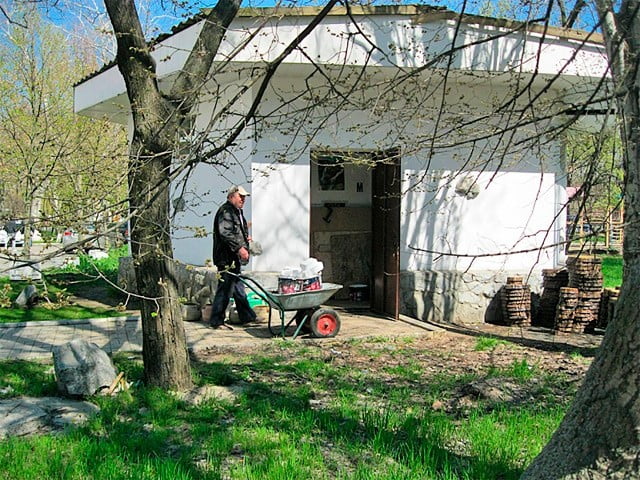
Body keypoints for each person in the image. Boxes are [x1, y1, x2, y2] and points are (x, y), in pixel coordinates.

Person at [209, 185, 257, 329]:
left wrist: (245, 239)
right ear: (231, 197)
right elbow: (225, 233)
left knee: (238, 287)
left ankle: (247, 316)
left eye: (244, 197)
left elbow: (235, 231)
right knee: (225, 288)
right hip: (225, 258)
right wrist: (239, 248)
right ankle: (216, 321)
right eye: (240, 196)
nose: (243, 199)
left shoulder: (236, 212)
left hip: (233, 257)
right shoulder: (226, 212)